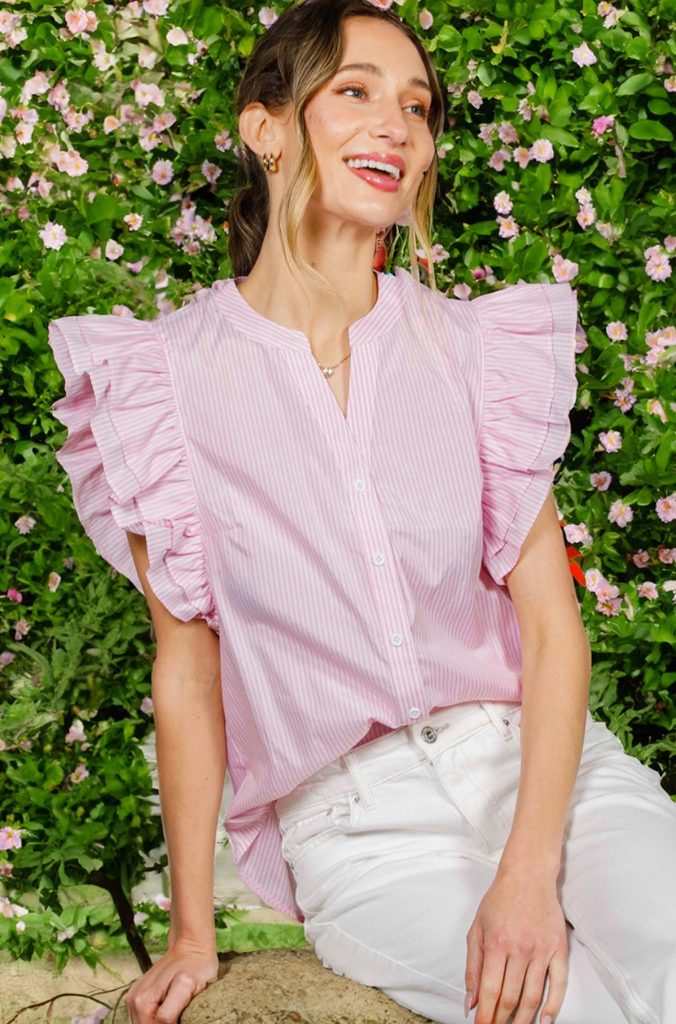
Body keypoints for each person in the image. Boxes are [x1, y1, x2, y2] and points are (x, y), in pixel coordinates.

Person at [46, 1, 676, 1023]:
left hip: (537, 766)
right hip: (358, 827)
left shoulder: (474, 354)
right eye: (356, 91)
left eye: (416, 107)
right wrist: (192, 934)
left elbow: (554, 630)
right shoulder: (160, 385)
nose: (397, 125)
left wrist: (528, 868)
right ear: (264, 127)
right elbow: (188, 671)